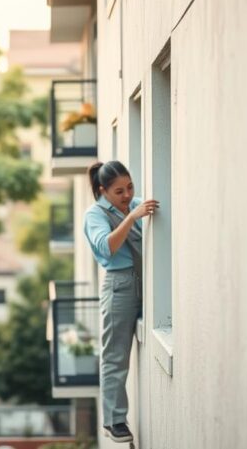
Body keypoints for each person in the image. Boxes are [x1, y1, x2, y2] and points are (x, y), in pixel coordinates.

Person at [83, 161, 159, 443]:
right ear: (103, 191)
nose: (127, 195)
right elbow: (107, 247)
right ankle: (114, 421)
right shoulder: (95, 214)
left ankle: (115, 418)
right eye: (119, 191)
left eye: (130, 188)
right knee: (115, 355)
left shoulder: (134, 204)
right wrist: (131, 217)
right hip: (119, 286)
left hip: (142, 281)